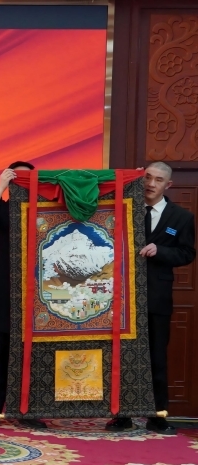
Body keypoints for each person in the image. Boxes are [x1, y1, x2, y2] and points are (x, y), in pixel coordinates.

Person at [106, 161, 195, 435]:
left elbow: (187, 253)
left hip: (157, 298)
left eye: (158, 180)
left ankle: (157, 417)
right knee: (123, 357)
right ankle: (122, 416)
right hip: (122, 297)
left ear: (168, 185)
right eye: (147, 177)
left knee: (157, 358)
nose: (151, 184)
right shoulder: (124, 208)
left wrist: (161, 251)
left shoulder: (181, 217)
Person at [0, 161, 47, 429]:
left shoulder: (46, 211)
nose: (23, 184)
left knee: (32, 358)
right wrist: (0, 186)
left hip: (39, 297)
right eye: (17, 180)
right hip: (3, 296)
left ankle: (28, 410)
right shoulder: (2, 210)